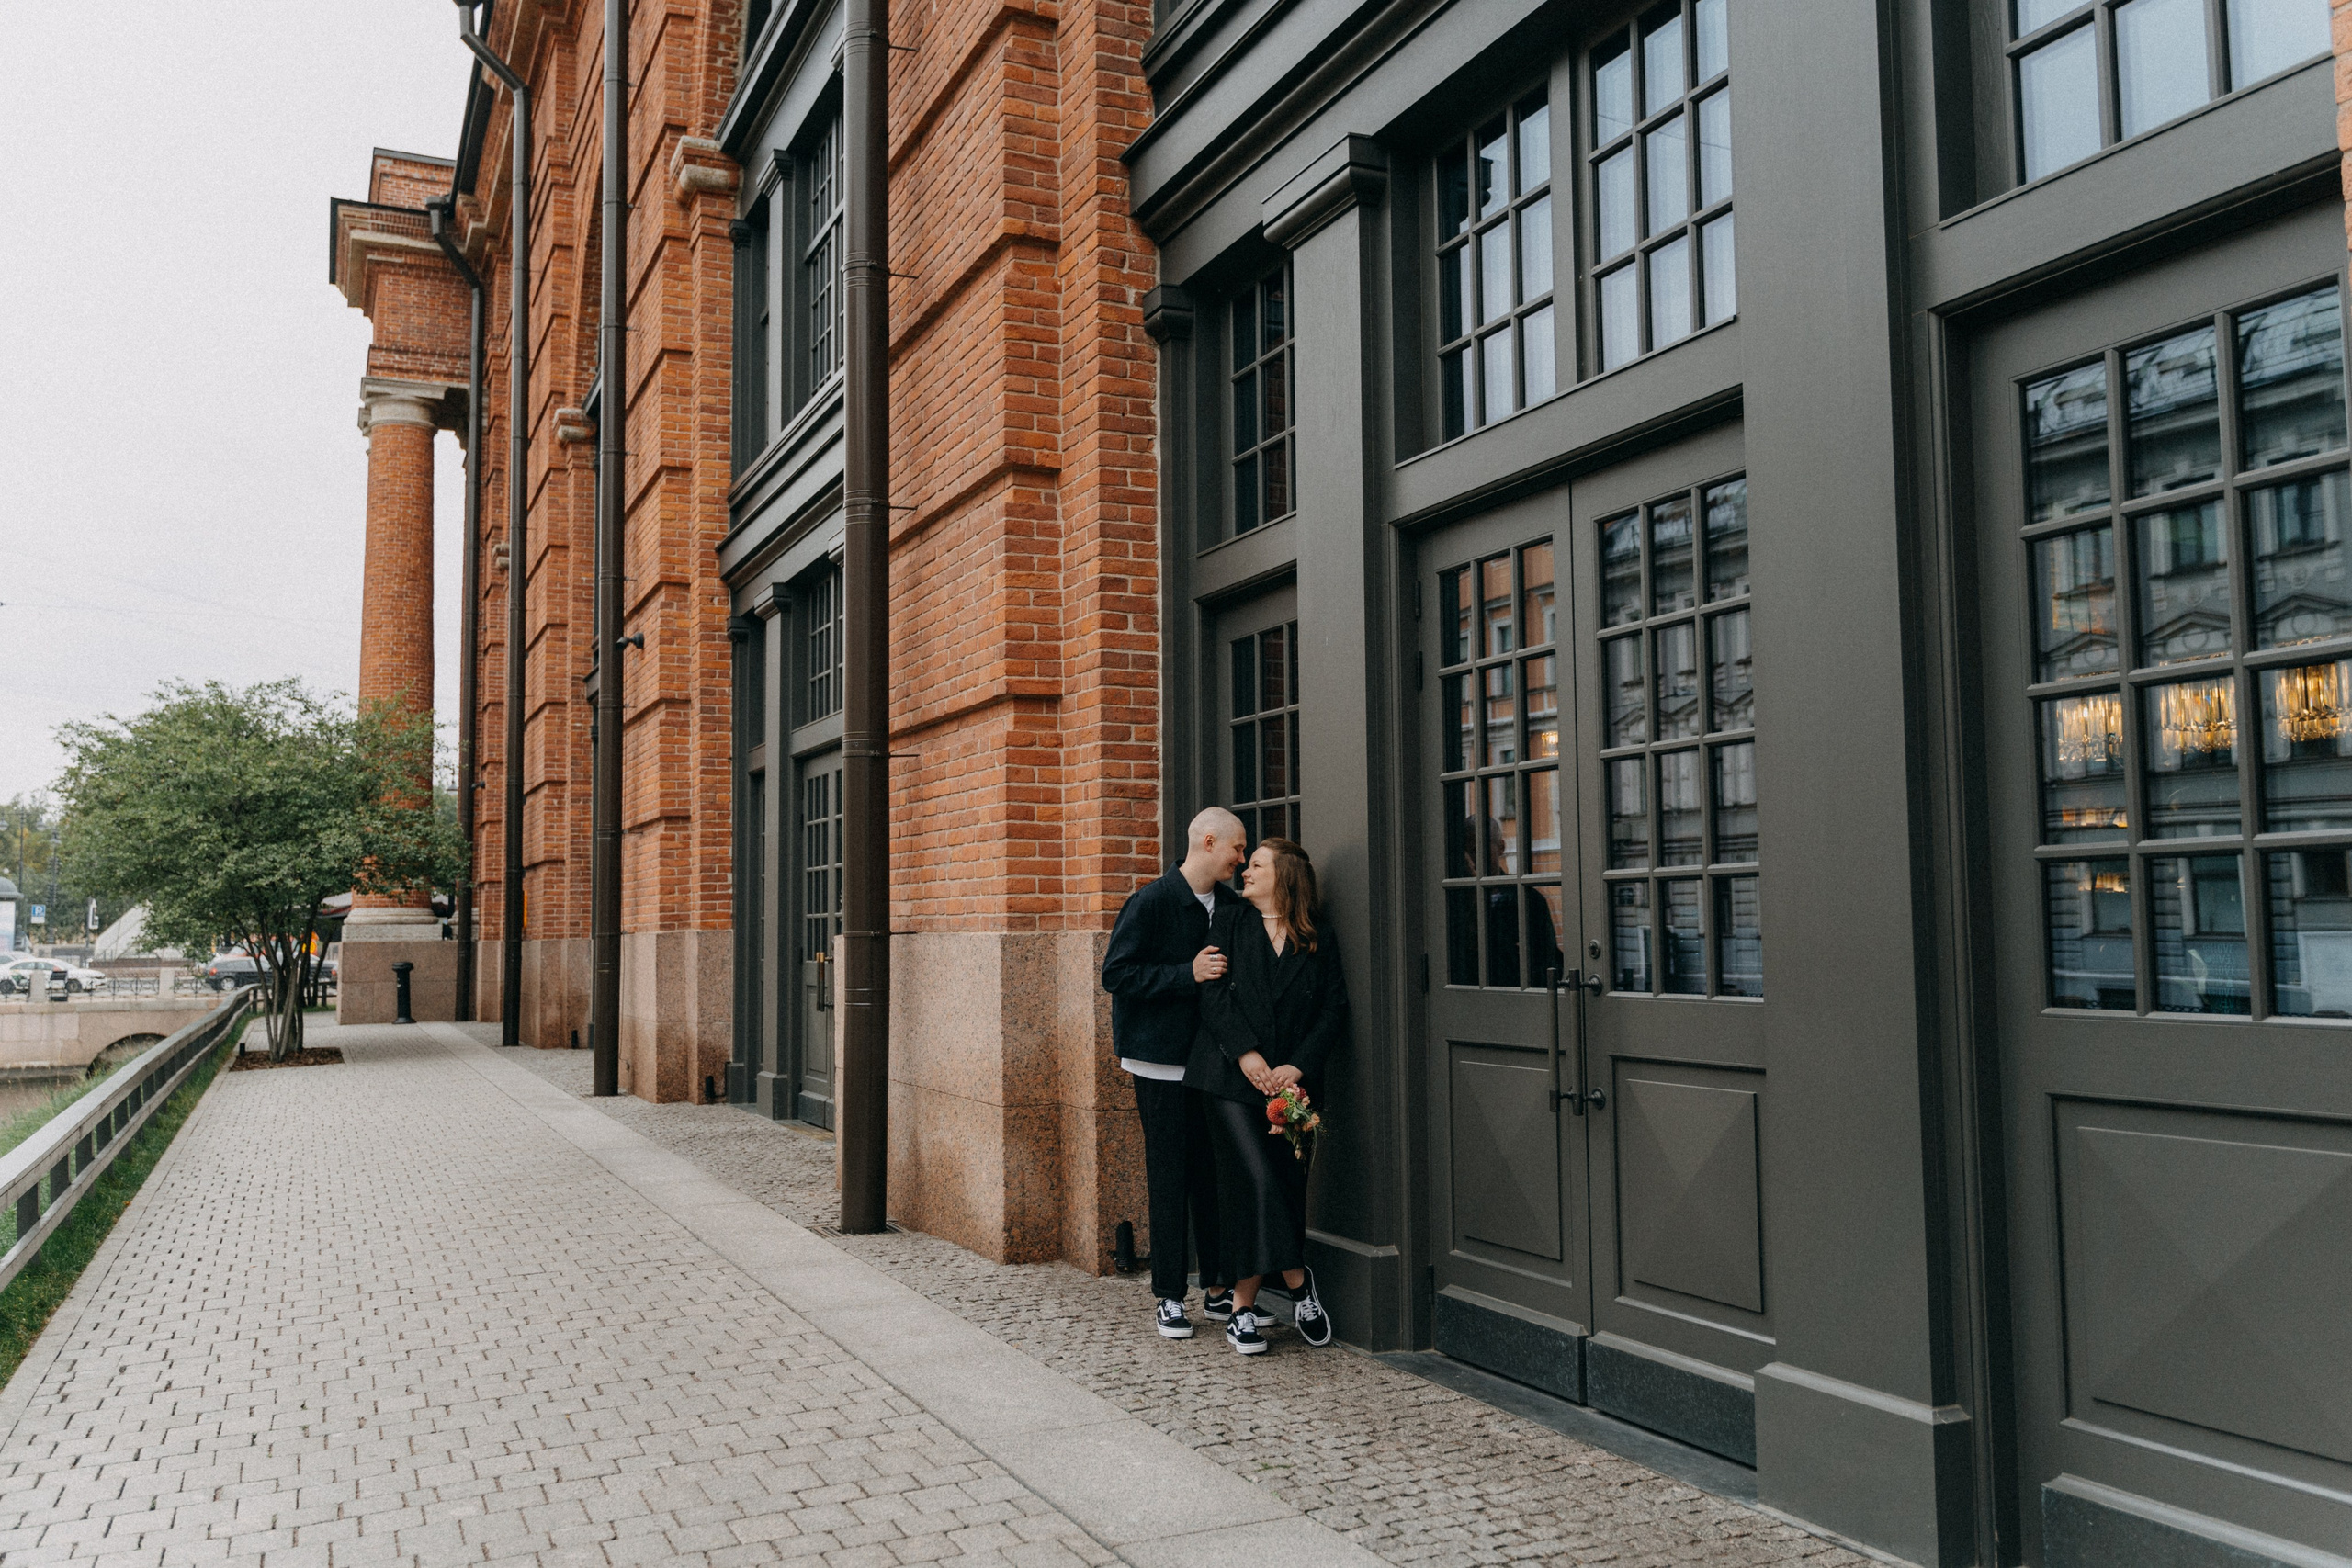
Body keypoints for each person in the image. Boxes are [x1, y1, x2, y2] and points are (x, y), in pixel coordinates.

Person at [1188, 837, 1349, 1354]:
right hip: (1232, 1082)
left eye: (1256, 865)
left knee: (1278, 1184)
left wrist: (1295, 1066)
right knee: (1257, 1179)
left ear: (1284, 877)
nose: (1246, 872)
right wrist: (1247, 1054)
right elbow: (1211, 995)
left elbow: (1332, 1012)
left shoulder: (1317, 936)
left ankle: (1241, 1309)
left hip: (1293, 1086)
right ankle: (1300, 1283)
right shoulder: (1230, 923)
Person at [1101, 807, 1250, 1339]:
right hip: (1159, 1063)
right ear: (1209, 842)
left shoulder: (1233, 906)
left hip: (1215, 1066)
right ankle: (1168, 1294)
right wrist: (1185, 974)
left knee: (1213, 1175)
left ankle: (1216, 1287)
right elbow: (1115, 974)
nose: (1242, 858)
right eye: (1236, 848)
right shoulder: (1151, 901)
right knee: (1169, 1176)